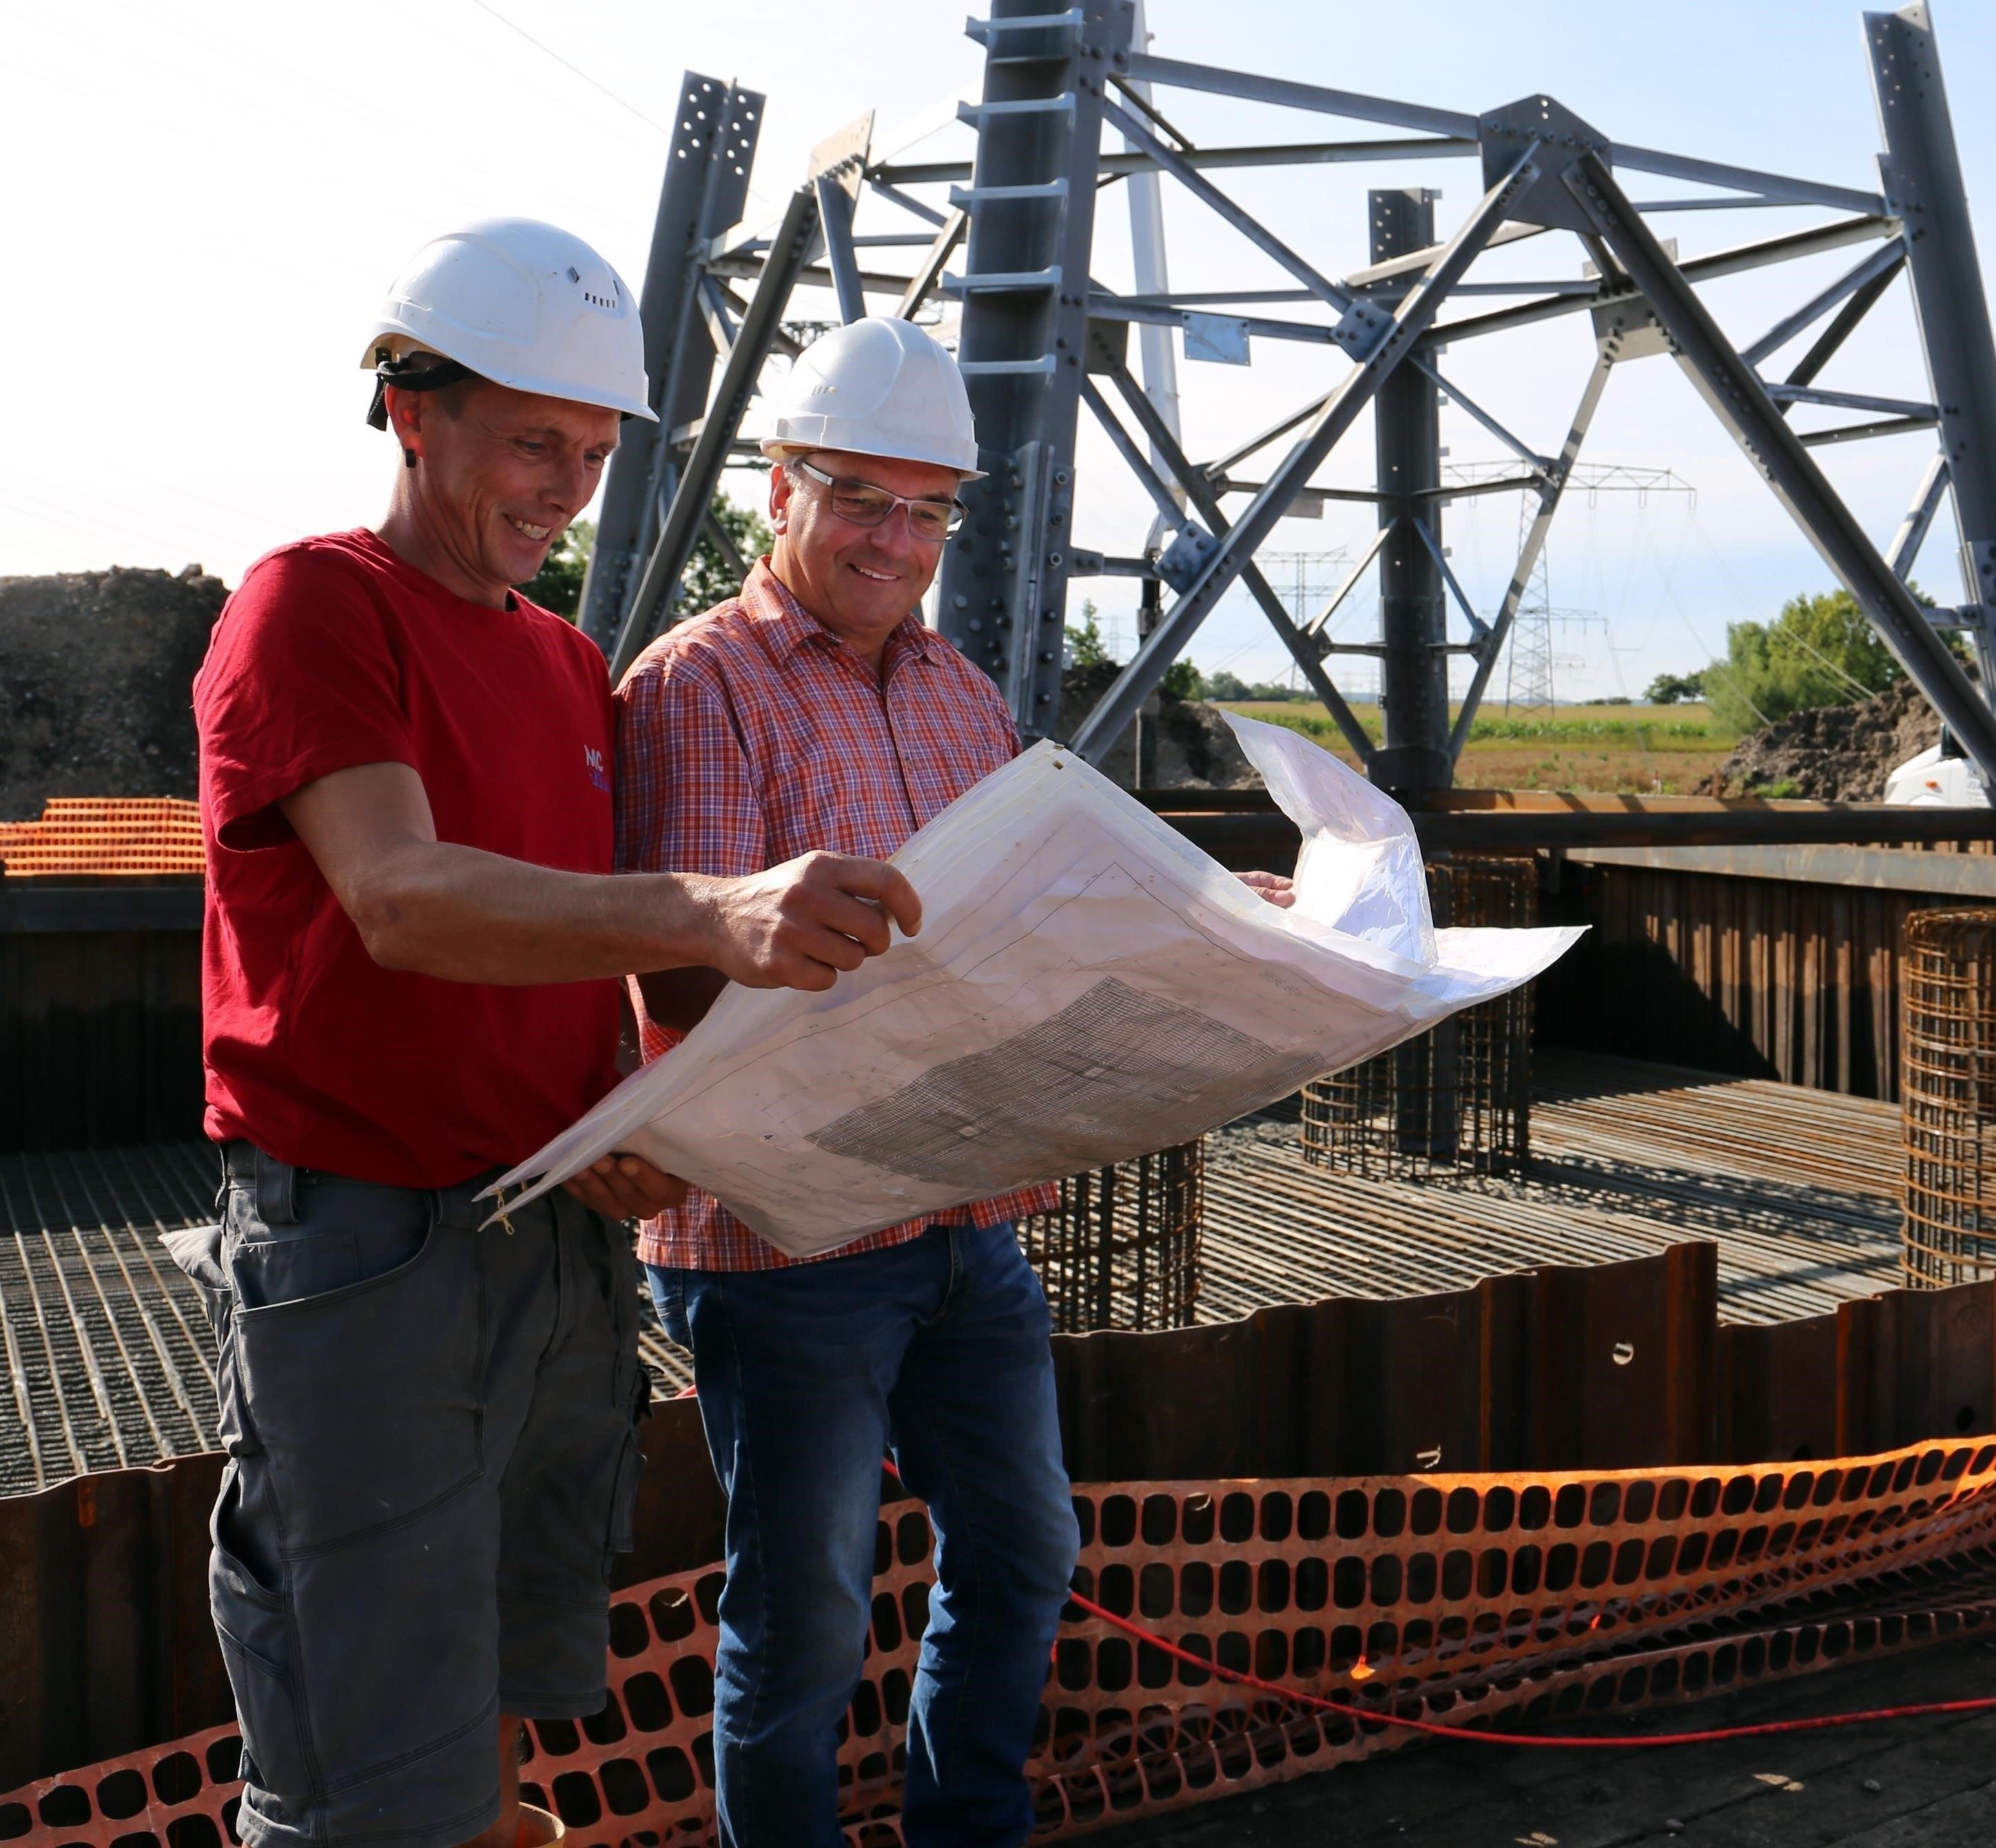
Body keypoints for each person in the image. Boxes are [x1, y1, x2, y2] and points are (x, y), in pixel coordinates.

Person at [187, 220, 923, 1848]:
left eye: (593, 451)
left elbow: (560, 940)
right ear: (410, 407)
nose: (564, 487)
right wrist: (706, 911)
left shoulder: (564, 659)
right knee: (369, 1744)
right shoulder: (315, 605)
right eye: (533, 440)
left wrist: (628, 1091)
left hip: (546, 1227)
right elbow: (403, 897)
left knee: (504, 1684)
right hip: (364, 1241)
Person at [615, 316, 1289, 1847]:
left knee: (1025, 1552)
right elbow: (682, 988)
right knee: (803, 1618)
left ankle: (966, 1830)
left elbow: (1025, 901)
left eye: (929, 509)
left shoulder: (957, 694)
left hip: (964, 1220)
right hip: (785, 1250)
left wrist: (1214, 923)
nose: (894, 539)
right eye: (860, 495)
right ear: (779, 484)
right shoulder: (695, 688)